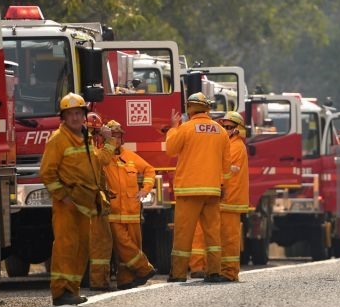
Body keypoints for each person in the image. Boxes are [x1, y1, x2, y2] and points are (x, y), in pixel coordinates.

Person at [40, 93, 115, 306]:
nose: (75, 117)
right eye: (70, 114)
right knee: (66, 246)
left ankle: (71, 290)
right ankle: (60, 292)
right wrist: (63, 197)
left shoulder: (85, 138)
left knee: (81, 248)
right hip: (68, 204)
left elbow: (97, 163)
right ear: (63, 117)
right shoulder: (58, 140)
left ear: (84, 115)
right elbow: (47, 172)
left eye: (78, 113)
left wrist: (109, 142)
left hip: (84, 202)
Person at [165, 92, 231, 282]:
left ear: (189, 108)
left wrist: (172, 128)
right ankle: (214, 272)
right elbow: (227, 166)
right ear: (207, 108)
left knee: (184, 234)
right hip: (212, 190)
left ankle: (178, 274)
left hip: (188, 190)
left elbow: (171, 149)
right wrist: (223, 186)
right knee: (212, 234)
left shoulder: (185, 129)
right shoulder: (221, 131)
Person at [102, 119, 158, 289]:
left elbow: (149, 170)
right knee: (123, 245)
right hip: (113, 211)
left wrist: (146, 189)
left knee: (130, 246)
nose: (116, 140)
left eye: (118, 136)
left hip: (132, 211)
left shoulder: (130, 157)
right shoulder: (103, 157)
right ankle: (144, 268)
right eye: (113, 136)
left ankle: (125, 280)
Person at [218, 111, 249, 282]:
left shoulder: (236, 147)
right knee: (222, 237)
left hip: (231, 199)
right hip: (225, 199)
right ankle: (220, 270)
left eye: (229, 127)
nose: (225, 129)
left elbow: (226, 170)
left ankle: (230, 272)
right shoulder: (228, 144)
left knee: (229, 238)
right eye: (223, 126)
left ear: (237, 129)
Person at [84, 111, 114, 291]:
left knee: (98, 241)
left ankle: (97, 280)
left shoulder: (83, 144)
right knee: (100, 242)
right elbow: (102, 159)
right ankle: (98, 281)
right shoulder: (87, 145)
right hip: (91, 199)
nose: (97, 137)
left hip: (90, 197)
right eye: (95, 133)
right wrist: (109, 140)